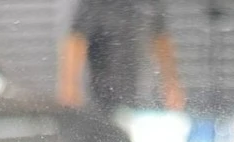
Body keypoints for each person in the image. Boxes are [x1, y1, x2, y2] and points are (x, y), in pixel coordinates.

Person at [57, 0, 186, 113]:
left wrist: (171, 83)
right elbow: (77, 38)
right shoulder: (95, 3)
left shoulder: (150, 3)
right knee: (104, 120)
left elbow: (160, 36)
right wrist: (70, 85)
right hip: (101, 90)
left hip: (137, 88)